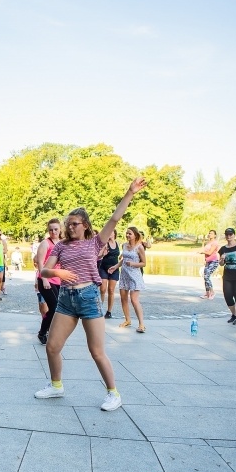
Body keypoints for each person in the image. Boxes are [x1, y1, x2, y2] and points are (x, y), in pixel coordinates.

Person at [35, 177, 147, 412]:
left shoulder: (95, 242)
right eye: (69, 224)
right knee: (52, 346)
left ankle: (113, 393)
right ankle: (56, 385)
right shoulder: (61, 246)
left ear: (85, 224)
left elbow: (115, 218)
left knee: (96, 351)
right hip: (66, 299)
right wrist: (58, 272)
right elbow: (44, 269)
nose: (71, 227)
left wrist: (130, 192)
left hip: (88, 297)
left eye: (75, 223)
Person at [36, 219, 62, 345]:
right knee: (55, 307)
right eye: (51, 229)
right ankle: (42, 332)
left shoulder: (62, 243)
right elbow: (40, 263)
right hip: (45, 279)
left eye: (56, 229)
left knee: (58, 309)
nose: (53, 231)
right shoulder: (45, 243)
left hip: (58, 280)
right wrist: (44, 279)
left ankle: (49, 331)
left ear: (60, 229)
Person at [116, 227, 147, 333]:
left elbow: (144, 263)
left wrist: (133, 264)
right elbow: (123, 260)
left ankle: (141, 324)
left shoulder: (139, 247)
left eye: (130, 234)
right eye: (127, 233)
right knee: (123, 298)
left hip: (135, 275)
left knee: (134, 300)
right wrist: (115, 267)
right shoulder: (124, 245)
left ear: (135, 235)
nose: (128, 235)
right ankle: (127, 320)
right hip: (124, 275)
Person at [98, 230, 120, 319]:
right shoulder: (105, 244)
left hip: (114, 269)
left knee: (111, 290)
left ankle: (109, 311)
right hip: (104, 268)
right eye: (109, 232)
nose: (110, 234)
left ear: (114, 233)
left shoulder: (118, 243)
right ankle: (100, 310)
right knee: (103, 289)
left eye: (111, 232)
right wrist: (103, 254)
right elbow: (98, 256)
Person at [199, 230, 220, 299]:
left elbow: (210, 252)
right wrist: (205, 260)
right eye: (209, 233)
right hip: (208, 261)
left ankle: (212, 292)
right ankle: (207, 294)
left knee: (207, 276)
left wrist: (202, 252)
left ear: (215, 235)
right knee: (205, 276)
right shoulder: (209, 242)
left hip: (214, 261)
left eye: (211, 233)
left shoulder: (215, 243)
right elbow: (206, 253)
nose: (210, 234)